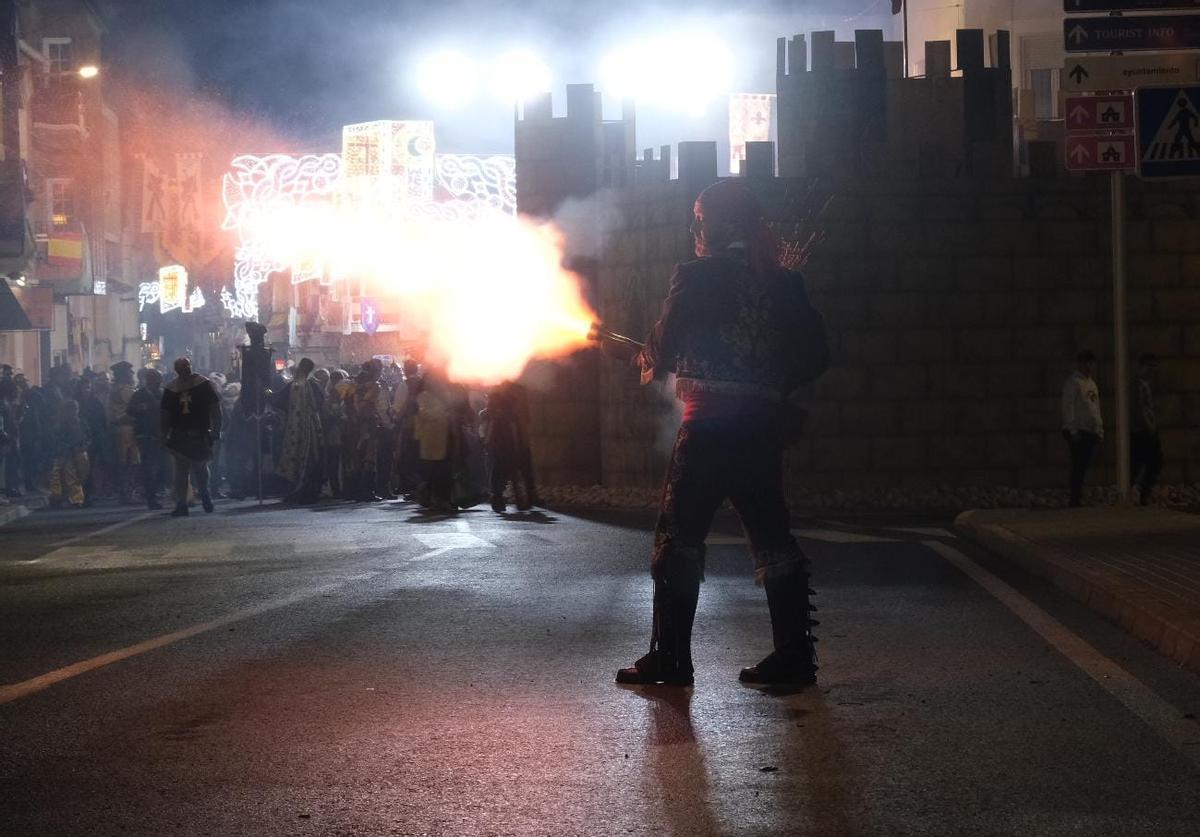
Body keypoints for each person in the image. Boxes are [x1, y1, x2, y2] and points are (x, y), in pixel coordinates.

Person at [598, 179, 829, 689]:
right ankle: (794, 656)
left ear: (720, 224)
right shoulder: (784, 281)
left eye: (700, 218)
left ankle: (671, 659)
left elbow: (664, 343)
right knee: (773, 541)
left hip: (705, 433)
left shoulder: (696, 277)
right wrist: (770, 386)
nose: (696, 228)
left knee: (678, 541)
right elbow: (817, 355)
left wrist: (647, 355)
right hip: (758, 431)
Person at [161, 357, 222, 517]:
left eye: (186, 366)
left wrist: (216, 430)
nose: (185, 369)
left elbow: (215, 407)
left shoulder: (202, 384)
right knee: (181, 471)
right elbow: (165, 415)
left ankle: (205, 493)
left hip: (199, 432)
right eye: (181, 367)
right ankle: (182, 503)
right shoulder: (171, 389)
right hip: (179, 434)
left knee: (201, 467)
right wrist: (163, 434)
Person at [270, 357, 325, 503]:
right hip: (312, 427)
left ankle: (298, 490)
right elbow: (322, 402)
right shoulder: (314, 385)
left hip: (295, 427)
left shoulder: (293, 385)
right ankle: (312, 490)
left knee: (296, 456)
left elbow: (278, 400)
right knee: (311, 457)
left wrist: (267, 393)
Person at [1061, 349, 1103, 508]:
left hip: (1090, 431)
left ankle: (1078, 497)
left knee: (1084, 465)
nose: (1089, 366)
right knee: (1079, 465)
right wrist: (1072, 430)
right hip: (1078, 430)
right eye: (1086, 363)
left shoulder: (1091, 383)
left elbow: (1095, 407)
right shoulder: (1073, 382)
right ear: (1079, 364)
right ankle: (1075, 499)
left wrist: (1099, 429)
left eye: (1091, 363)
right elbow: (1068, 407)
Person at [128, 367, 167, 509]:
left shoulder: (162, 394)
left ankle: (156, 491)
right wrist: (140, 408)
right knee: (149, 467)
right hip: (145, 435)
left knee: (160, 467)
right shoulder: (140, 395)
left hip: (160, 434)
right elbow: (130, 410)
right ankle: (151, 497)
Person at [107, 361, 141, 504]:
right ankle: (128, 493)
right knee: (131, 463)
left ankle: (124, 492)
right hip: (127, 428)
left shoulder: (114, 389)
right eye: (129, 373)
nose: (132, 375)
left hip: (117, 428)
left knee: (122, 462)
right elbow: (135, 408)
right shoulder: (126, 390)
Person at [1131, 353, 1162, 506]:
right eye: (1150, 366)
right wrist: (1150, 428)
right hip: (1143, 431)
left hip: (1143, 430)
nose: (1152, 370)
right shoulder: (1139, 385)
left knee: (1140, 462)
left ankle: (1140, 491)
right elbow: (1140, 409)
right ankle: (1143, 492)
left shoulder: (1143, 384)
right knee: (1153, 461)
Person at [47, 399, 88, 508]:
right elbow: (58, 439)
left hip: (80, 452)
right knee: (65, 474)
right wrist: (65, 448)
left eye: (75, 409)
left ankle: (77, 497)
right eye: (71, 409)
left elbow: (87, 436)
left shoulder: (82, 422)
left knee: (78, 476)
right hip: (65, 453)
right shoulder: (60, 425)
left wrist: (84, 446)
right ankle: (66, 497)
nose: (74, 412)